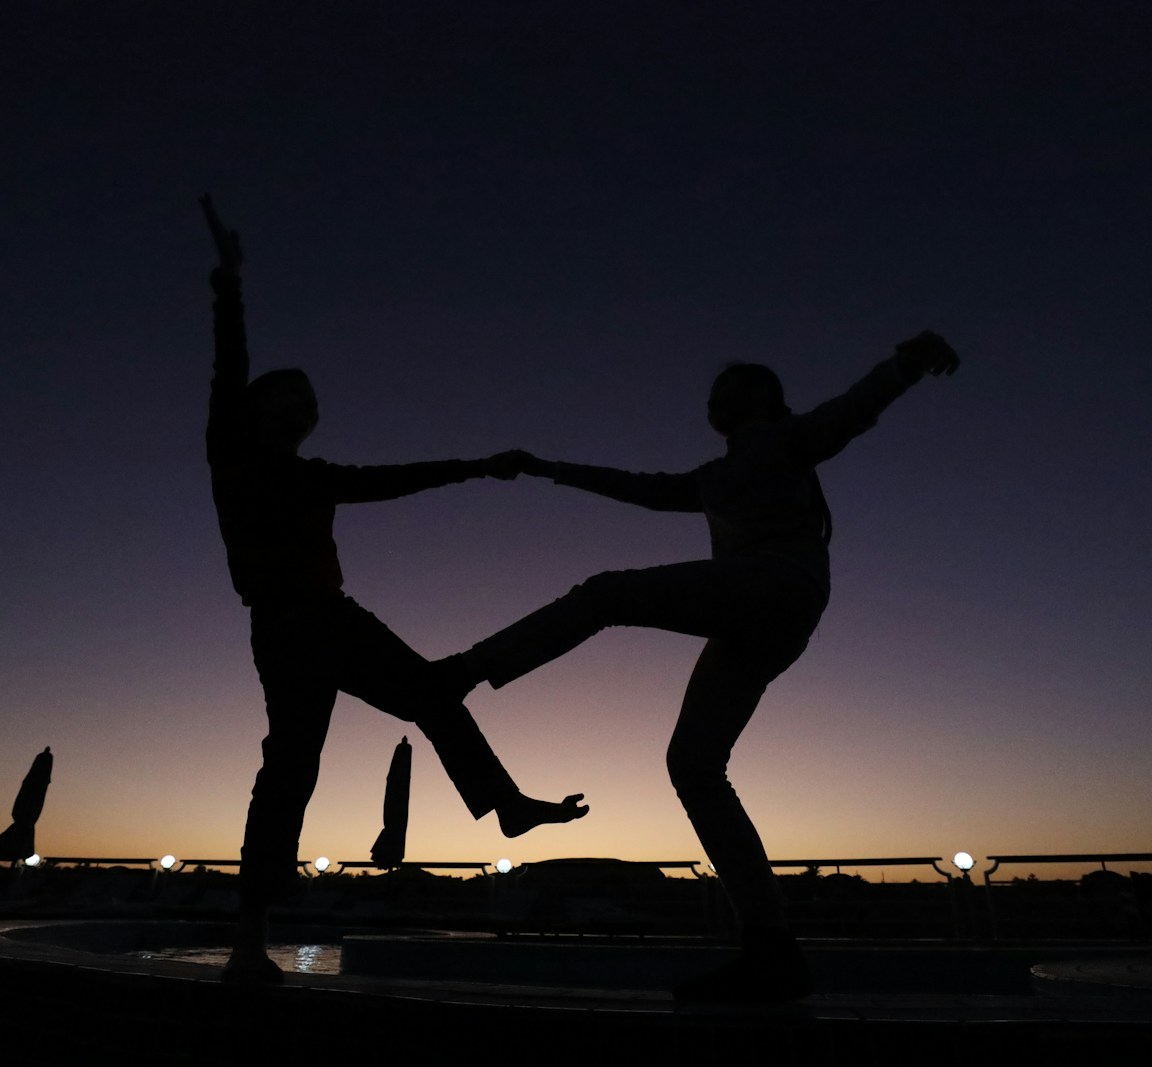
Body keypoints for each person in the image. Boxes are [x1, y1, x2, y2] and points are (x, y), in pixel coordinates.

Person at [431, 333, 960, 1001]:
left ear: (766, 399)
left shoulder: (790, 439)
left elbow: (854, 409)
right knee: (694, 765)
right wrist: (549, 467)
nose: (718, 397)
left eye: (735, 386)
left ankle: (465, 669)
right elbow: (641, 489)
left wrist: (906, 363)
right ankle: (771, 949)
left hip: (775, 584)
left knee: (605, 593)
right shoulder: (712, 478)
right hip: (770, 613)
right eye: (715, 393)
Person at [200, 196, 587, 983]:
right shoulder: (234, 454)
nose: (309, 403)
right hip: (285, 626)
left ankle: (504, 803)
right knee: (291, 770)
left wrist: (479, 465)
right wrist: (231, 282)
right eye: (294, 393)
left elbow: (396, 480)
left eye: (314, 399)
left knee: (436, 693)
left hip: (335, 618)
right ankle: (248, 938)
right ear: (259, 408)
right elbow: (229, 364)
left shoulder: (317, 477)